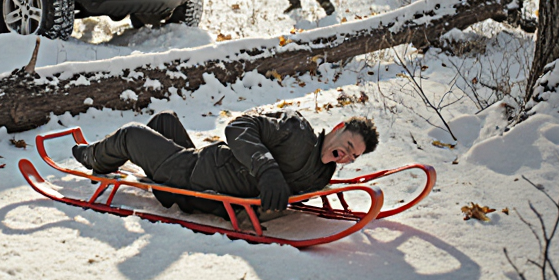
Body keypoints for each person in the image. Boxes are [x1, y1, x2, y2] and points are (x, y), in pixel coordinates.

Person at [71, 109, 378, 216]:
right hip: (205, 168)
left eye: (354, 156)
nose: (347, 157)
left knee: (131, 134)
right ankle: (112, 162)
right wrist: (267, 167)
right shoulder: (296, 133)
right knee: (164, 120)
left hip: (193, 179)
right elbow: (238, 127)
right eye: (348, 146)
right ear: (337, 128)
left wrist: (266, 171)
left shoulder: (320, 171)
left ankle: (92, 156)